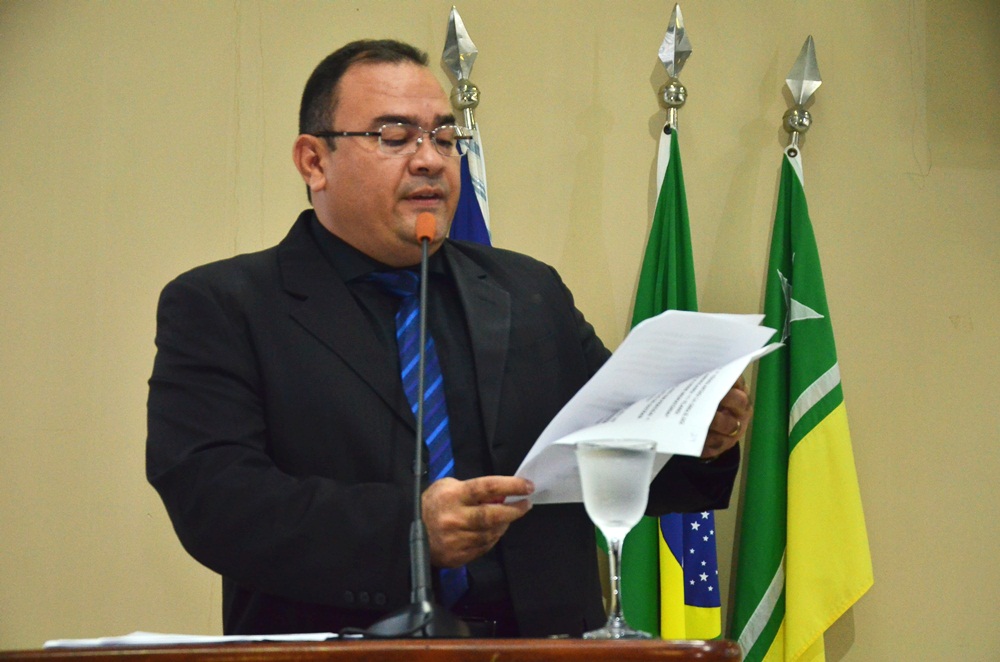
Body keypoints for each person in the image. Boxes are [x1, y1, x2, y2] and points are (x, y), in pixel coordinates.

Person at [146, 39, 751, 638]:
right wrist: (410, 532)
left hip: (546, 651)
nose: (430, 159)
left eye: (444, 137)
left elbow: (609, 454)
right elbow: (218, 503)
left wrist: (698, 435)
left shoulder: (527, 291)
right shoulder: (226, 306)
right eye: (393, 135)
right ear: (314, 162)